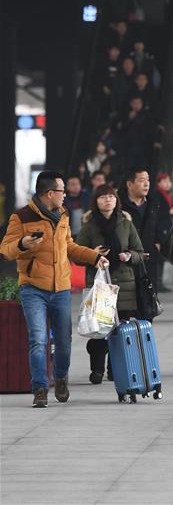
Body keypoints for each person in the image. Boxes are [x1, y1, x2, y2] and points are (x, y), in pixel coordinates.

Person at [0, 171, 109, 408]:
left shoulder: (63, 215)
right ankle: (40, 388)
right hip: (33, 288)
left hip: (61, 288)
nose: (65, 196)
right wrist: (22, 244)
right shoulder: (21, 217)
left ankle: (60, 378)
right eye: (62, 191)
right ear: (50, 193)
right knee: (38, 339)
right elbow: (5, 249)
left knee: (63, 340)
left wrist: (94, 257)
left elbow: (69, 246)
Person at [75, 185, 145, 383]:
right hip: (100, 285)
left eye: (111, 197)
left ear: (116, 201)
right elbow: (77, 255)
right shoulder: (89, 226)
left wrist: (129, 255)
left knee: (120, 331)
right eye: (103, 197)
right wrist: (93, 254)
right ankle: (97, 369)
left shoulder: (125, 223)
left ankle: (115, 369)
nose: (108, 200)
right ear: (96, 201)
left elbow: (140, 252)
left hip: (124, 285)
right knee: (99, 330)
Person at [119, 168, 171, 293]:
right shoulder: (119, 204)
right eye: (141, 180)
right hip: (126, 258)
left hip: (149, 257)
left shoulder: (156, 202)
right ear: (129, 184)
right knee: (127, 302)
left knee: (148, 301)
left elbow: (165, 222)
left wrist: (159, 242)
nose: (146, 184)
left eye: (148, 180)